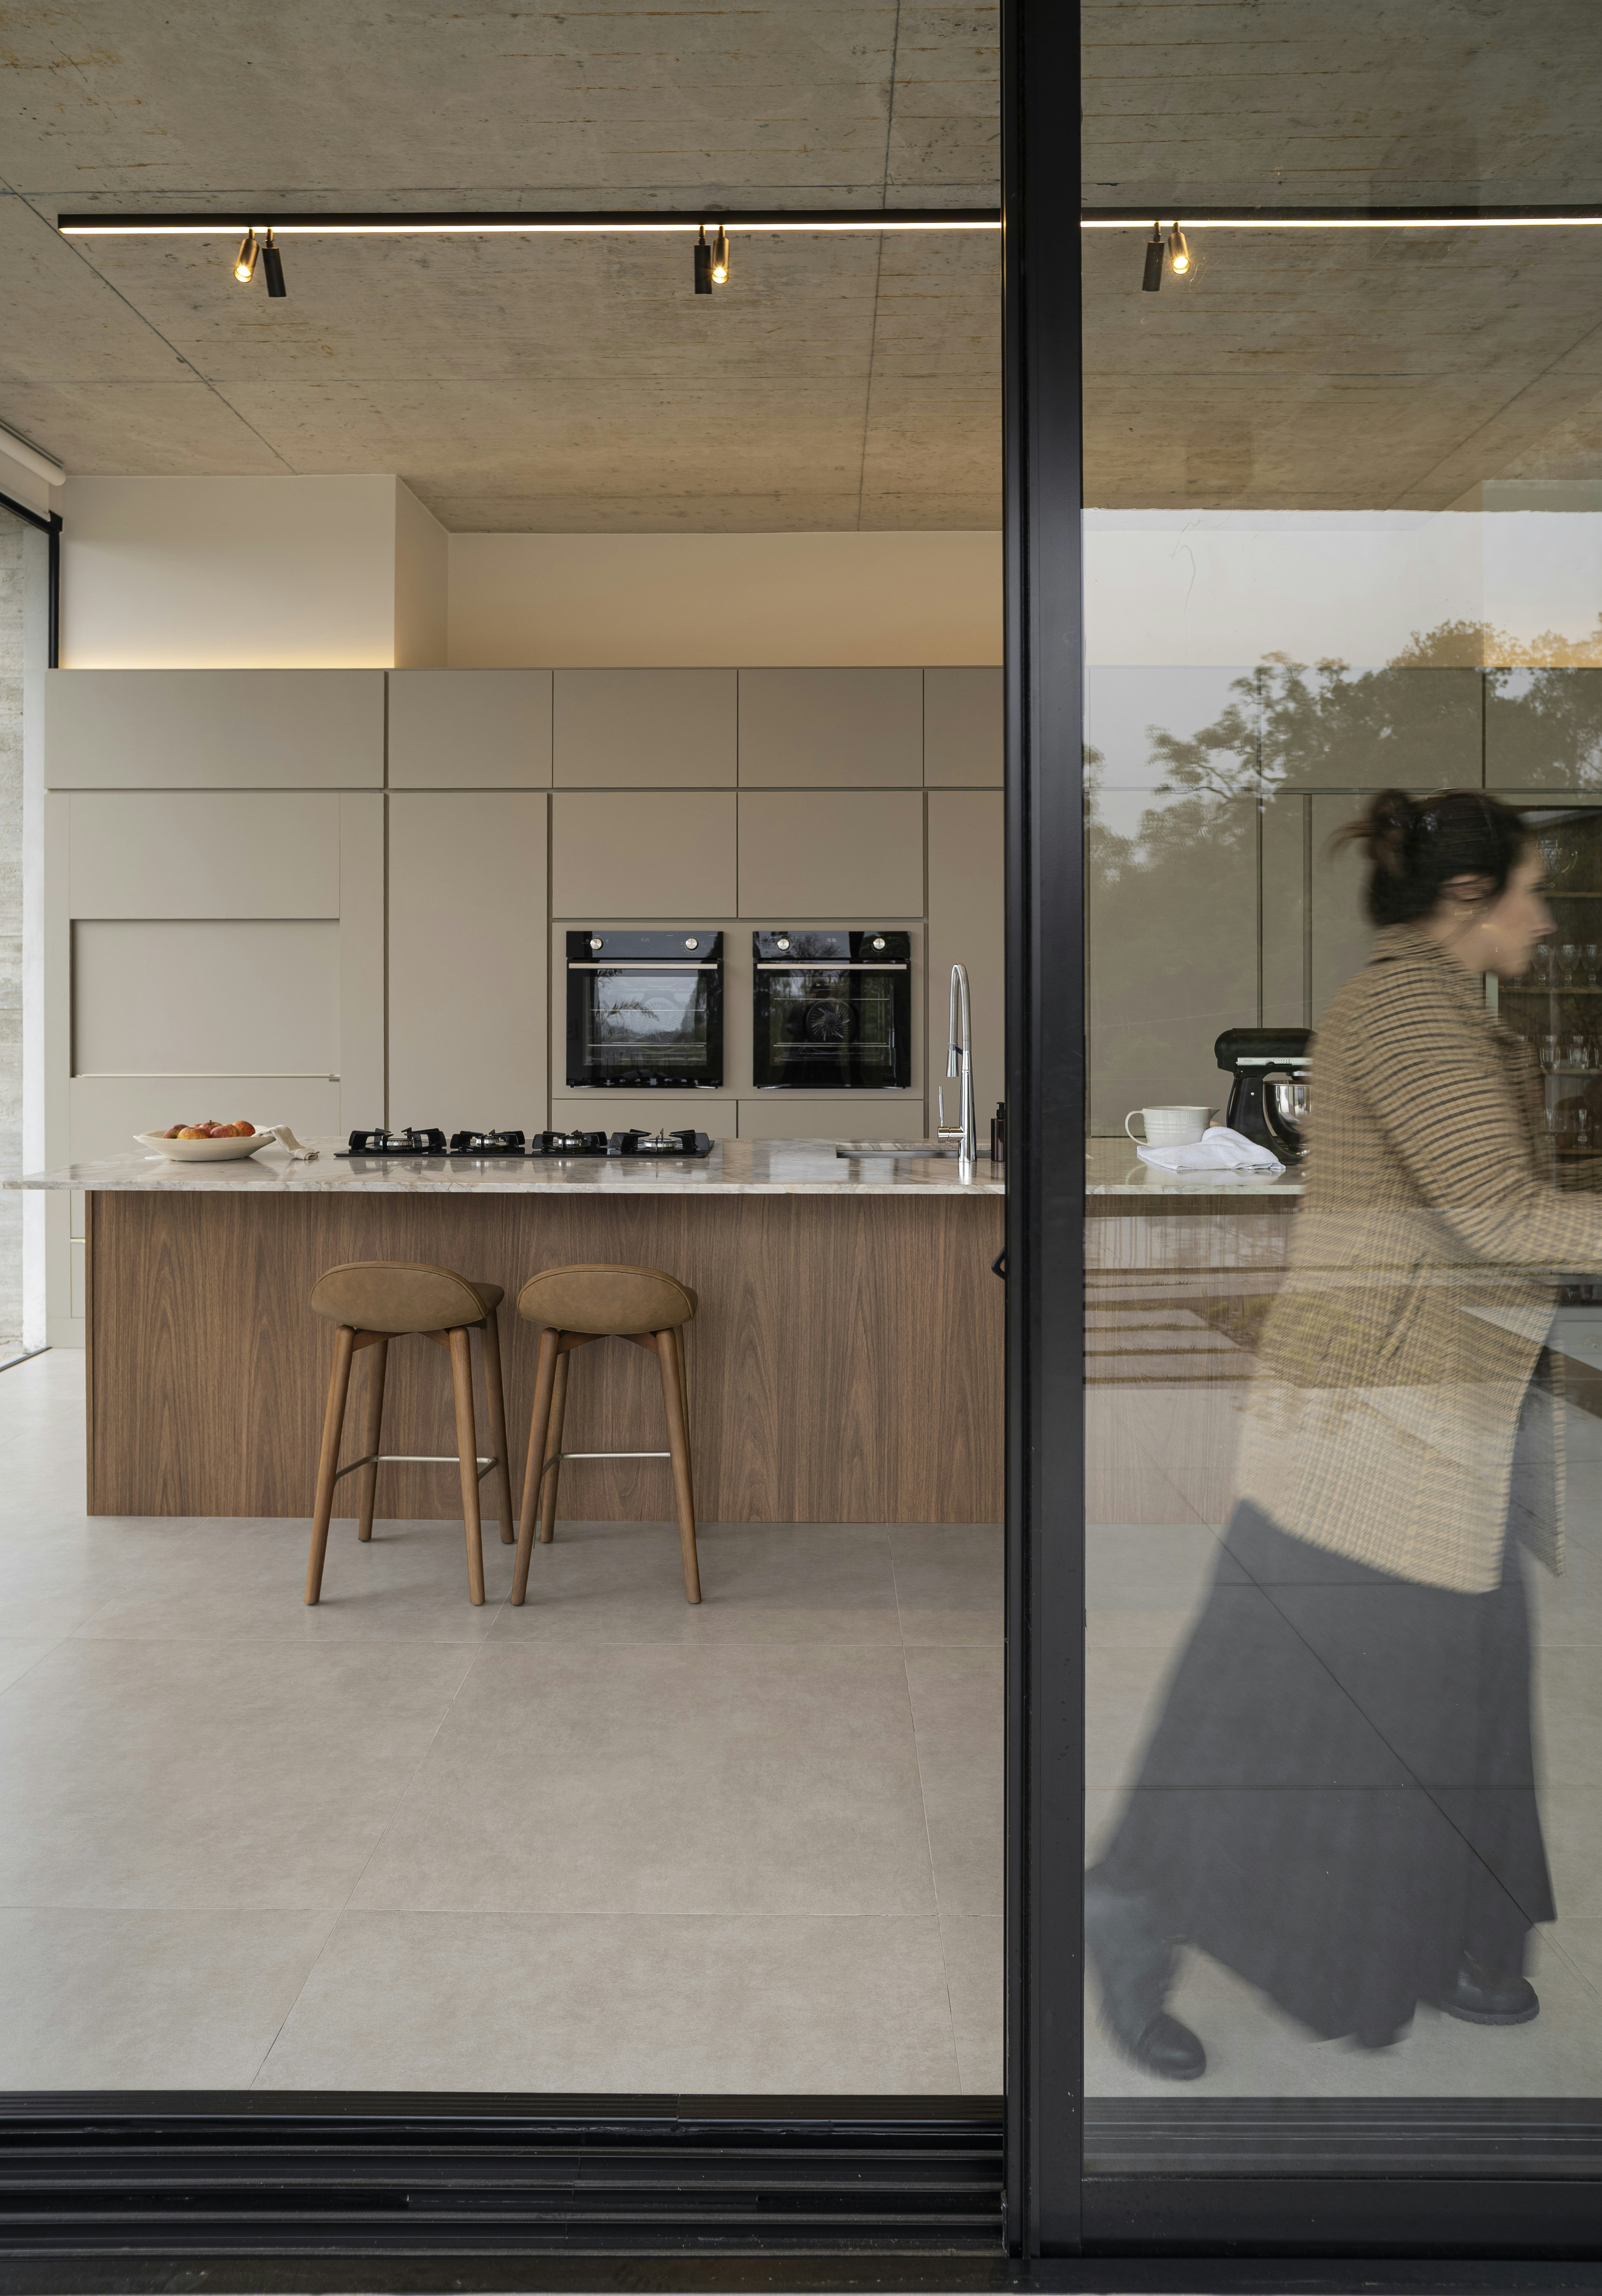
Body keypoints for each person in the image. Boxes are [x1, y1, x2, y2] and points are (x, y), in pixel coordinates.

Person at [1087, 788, 1600, 2081]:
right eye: (1531, 893)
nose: (1545, 920)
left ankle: (1476, 1941)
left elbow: (1500, 1195)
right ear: (1471, 901)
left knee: (1463, 1684)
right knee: (1271, 1705)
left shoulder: (1431, 1005)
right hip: (1377, 1425)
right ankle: (1133, 1909)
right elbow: (1496, 1211)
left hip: (1412, 1414)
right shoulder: (1412, 1010)